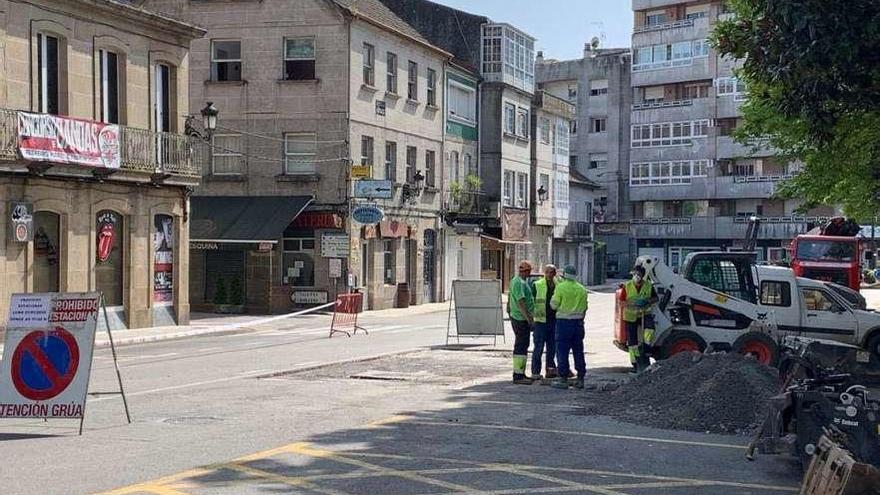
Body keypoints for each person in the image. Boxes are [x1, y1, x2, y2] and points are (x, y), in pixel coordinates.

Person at [549, 265, 588, 389]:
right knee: (578, 351)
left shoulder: (561, 287)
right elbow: (585, 308)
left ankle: (563, 378)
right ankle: (580, 378)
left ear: (564, 274)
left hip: (563, 323)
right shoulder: (582, 289)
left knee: (562, 351)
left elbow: (554, 306)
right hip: (578, 324)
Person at [622, 265, 659, 373]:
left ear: (643, 276)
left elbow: (655, 298)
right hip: (630, 315)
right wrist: (632, 303)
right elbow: (622, 302)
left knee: (650, 329)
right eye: (635, 274)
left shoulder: (648, 285)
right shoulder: (627, 286)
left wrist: (647, 301)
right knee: (632, 341)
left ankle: (646, 346)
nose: (636, 277)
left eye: (639, 275)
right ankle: (635, 362)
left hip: (644, 313)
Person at [508, 260, 535, 384]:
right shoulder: (519, 283)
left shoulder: (517, 281)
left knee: (523, 346)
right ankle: (518, 375)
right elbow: (521, 302)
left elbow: (510, 302)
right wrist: (529, 319)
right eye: (528, 271)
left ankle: (521, 373)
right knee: (521, 346)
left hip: (518, 317)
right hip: (520, 319)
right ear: (526, 271)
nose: (529, 273)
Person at [531, 264, 558, 381]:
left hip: (554, 320)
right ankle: (535, 372)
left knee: (552, 348)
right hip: (540, 321)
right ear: (544, 273)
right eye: (547, 272)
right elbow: (531, 302)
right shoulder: (537, 285)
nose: (548, 275)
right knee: (538, 348)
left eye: (551, 272)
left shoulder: (559, 285)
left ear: (555, 273)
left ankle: (550, 370)